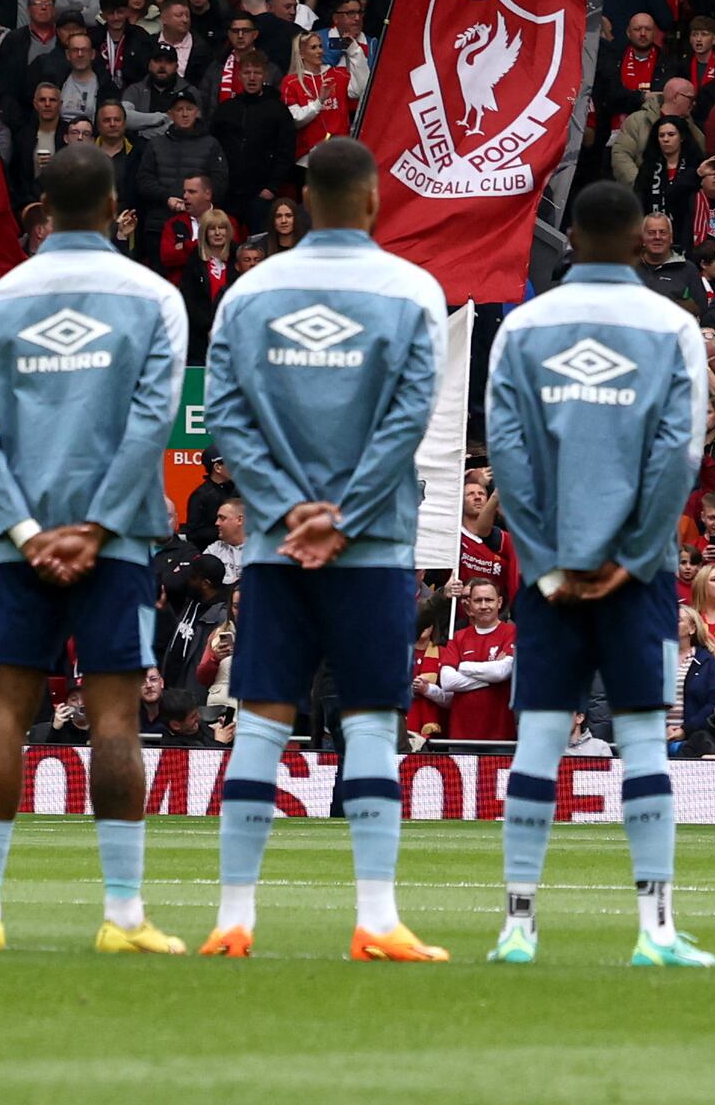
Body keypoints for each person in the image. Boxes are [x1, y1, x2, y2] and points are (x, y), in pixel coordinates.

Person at [196, 134, 450, 960]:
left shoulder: (251, 291)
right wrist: (340, 515)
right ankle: (375, 919)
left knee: (262, 720)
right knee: (373, 721)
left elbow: (225, 416)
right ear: (374, 201)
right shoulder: (412, 291)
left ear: (304, 203)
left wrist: (287, 509)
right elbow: (408, 420)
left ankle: (234, 917)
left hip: (274, 547)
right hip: (370, 545)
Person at [0, 144, 191, 953]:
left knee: (6, 716)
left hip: (23, 547)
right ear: (116, 201)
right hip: (113, 542)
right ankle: (122, 918)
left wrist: (23, 531)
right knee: (116, 720)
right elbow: (151, 420)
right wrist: (94, 526)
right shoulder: (154, 298)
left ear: (41, 208)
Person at [479, 176, 715, 967]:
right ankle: (655, 930)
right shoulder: (672, 325)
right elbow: (679, 455)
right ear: (635, 239)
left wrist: (547, 562)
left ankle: (517, 926)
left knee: (539, 743)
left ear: (571, 239)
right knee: (645, 741)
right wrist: (633, 557)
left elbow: (506, 453)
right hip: (639, 578)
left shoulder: (526, 326)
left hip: (548, 577)